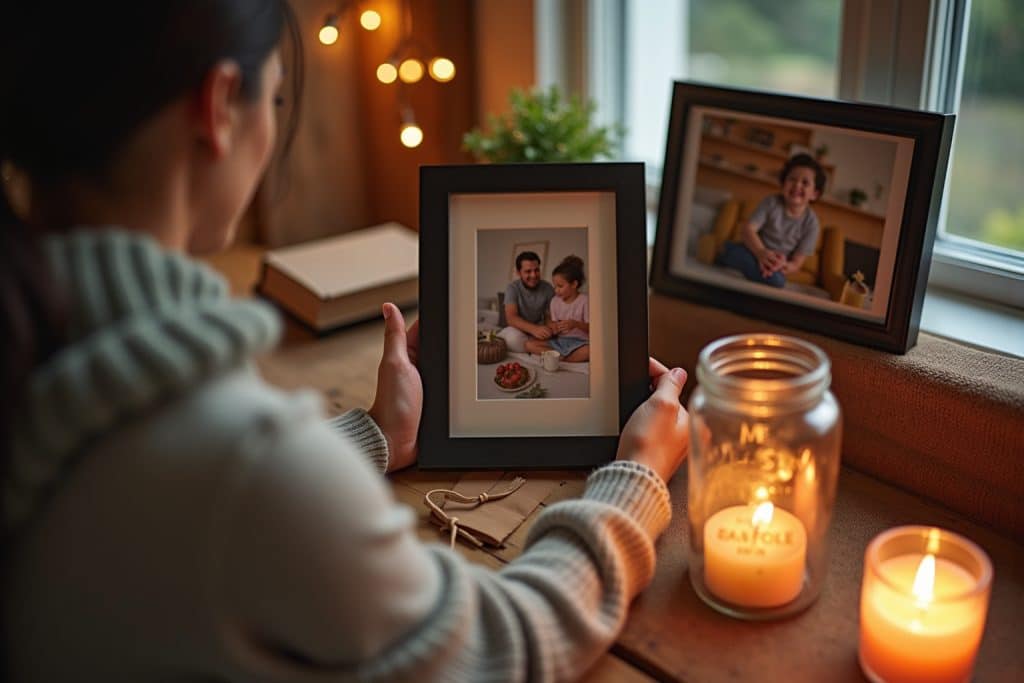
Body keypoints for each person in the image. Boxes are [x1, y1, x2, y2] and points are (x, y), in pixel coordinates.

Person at [0, 2, 690, 681]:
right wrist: (636, 476)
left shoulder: (39, 346)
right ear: (219, 105)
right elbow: (501, 644)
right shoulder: (242, 462)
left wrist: (374, 434)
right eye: (274, 98)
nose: (272, 127)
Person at [715, 153, 825, 288]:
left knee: (777, 280)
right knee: (745, 257)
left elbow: (796, 264)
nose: (797, 185)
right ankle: (726, 252)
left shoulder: (812, 224)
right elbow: (747, 229)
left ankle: (730, 254)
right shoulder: (771, 203)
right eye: (792, 179)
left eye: (805, 182)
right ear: (784, 183)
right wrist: (761, 253)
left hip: (775, 263)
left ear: (814, 194)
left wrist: (780, 265)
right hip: (752, 249)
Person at [525, 255, 590, 363]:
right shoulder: (555, 301)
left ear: (574, 284)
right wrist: (553, 328)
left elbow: (592, 329)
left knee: (589, 351)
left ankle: (558, 357)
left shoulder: (584, 301)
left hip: (580, 342)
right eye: (554, 286)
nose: (556, 290)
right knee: (528, 344)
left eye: (560, 286)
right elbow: (553, 325)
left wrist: (575, 324)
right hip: (560, 341)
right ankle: (564, 357)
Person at [498, 250, 555, 353]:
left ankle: (533, 347)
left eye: (536, 270)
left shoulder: (548, 288)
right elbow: (511, 318)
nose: (533, 275)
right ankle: (533, 347)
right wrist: (534, 329)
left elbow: (548, 316)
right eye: (528, 271)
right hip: (518, 330)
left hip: (537, 330)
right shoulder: (512, 288)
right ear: (519, 273)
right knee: (512, 339)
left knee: (556, 337)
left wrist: (550, 329)